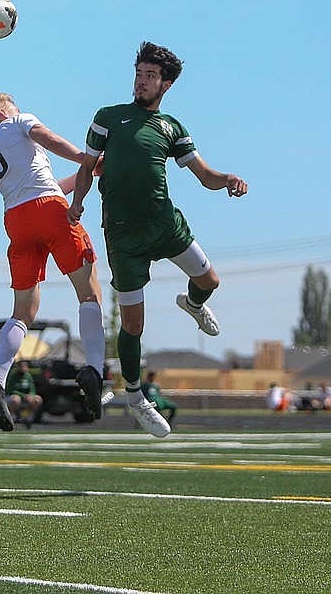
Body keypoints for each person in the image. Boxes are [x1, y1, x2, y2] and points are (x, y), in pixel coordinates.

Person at [68, 42, 248, 438]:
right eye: (139, 73)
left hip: (165, 224)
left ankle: (192, 304)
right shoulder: (109, 117)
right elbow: (86, 166)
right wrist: (77, 202)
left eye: (151, 76)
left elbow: (204, 175)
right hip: (123, 235)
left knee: (210, 282)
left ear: (166, 84)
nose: (142, 81)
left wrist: (228, 180)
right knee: (133, 324)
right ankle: (136, 397)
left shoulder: (172, 128)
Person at [0, 93, 108, 433]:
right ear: (5, 112)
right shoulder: (18, 122)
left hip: (16, 220)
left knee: (22, 312)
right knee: (89, 295)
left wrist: (83, 172)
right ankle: (93, 369)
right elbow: (48, 139)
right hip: (48, 210)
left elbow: (45, 186)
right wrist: (86, 158)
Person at [5, 360, 44, 427]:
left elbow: (32, 389)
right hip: (13, 397)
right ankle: (11, 417)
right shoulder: (12, 376)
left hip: (25, 398)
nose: (23, 368)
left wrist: (30, 396)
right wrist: (24, 396)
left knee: (38, 399)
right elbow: (10, 390)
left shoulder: (28, 376)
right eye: (21, 366)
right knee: (16, 399)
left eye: (25, 366)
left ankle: (28, 417)